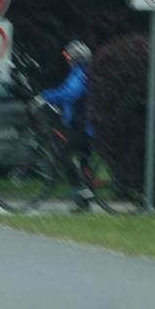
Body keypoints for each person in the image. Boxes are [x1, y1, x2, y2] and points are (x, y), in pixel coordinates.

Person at [41, 40, 93, 211]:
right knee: (84, 160)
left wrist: (47, 96)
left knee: (63, 154)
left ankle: (79, 188)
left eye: (68, 56)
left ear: (76, 58)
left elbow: (71, 93)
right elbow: (67, 91)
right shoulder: (81, 73)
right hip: (84, 124)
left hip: (84, 125)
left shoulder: (80, 74)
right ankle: (84, 202)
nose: (67, 59)